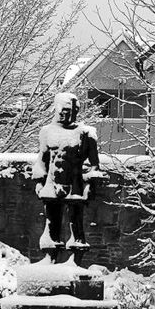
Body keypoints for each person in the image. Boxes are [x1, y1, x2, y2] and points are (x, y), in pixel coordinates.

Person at [32, 92, 103, 265]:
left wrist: (90, 185)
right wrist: (39, 181)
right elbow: (42, 159)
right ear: (56, 109)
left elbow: (95, 164)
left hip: (75, 185)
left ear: (75, 111)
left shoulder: (86, 133)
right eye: (62, 110)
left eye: (69, 110)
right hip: (51, 183)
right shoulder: (47, 132)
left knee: (76, 224)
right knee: (51, 223)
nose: (65, 114)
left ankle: (75, 260)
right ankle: (50, 258)